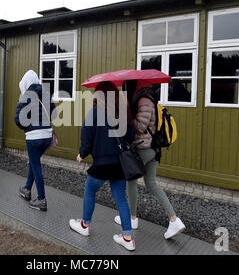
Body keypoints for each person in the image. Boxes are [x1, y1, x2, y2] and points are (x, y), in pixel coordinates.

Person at [114, 79, 185, 240]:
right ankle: (173, 220)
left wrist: (127, 118)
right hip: (153, 149)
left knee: (131, 181)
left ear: (135, 87)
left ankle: (132, 219)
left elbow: (140, 126)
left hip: (144, 148)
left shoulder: (144, 100)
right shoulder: (149, 98)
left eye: (128, 86)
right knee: (151, 183)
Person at [69, 81, 136, 251]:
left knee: (90, 190)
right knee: (120, 197)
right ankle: (128, 238)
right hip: (119, 164)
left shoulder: (94, 114)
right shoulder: (120, 113)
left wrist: (82, 154)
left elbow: (87, 139)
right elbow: (130, 136)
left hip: (102, 164)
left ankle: (84, 226)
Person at [15, 70, 56, 211]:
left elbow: (18, 120)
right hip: (47, 136)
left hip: (34, 137)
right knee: (35, 162)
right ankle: (26, 189)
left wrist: (28, 126)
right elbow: (54, 114)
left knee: (36, 166)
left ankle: (41, 199)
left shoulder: (25, 95)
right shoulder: (46, 93)